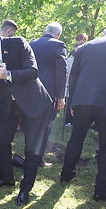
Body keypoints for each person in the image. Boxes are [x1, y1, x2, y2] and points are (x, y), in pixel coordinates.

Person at [0, 24, 53, 206]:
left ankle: (24, 189)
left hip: (35, 104)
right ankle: (7, 178)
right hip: (10, 106)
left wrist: (8, 74)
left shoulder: (18, 44)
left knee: (31, 149)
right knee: (1, 140)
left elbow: (33, 71)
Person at [60, 26, 106, 203]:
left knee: (75, 140)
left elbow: (74, 76)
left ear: (104, 34)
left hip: (83, 100)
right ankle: (101, 190)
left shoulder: (85, 46)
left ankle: (66, 175)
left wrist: (73, 102)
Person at [30, 22, 67, 166]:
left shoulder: (33, 43)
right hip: (48, 93)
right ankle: (37, 158)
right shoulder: (58, 45)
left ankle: (31, 155)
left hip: (31, 91)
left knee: (30, 125)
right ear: (58, 35)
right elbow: (62, 73)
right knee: (44, 127)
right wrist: (61, 96)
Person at [64, 33, 88, 126]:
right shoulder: (72, 54)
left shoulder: (86, 51)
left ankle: (75, 120)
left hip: (81, 79)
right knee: (70, 99)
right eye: (79, 39)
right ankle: (68, 119)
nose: (81, 40)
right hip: (73, 77)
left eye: (82, 39)